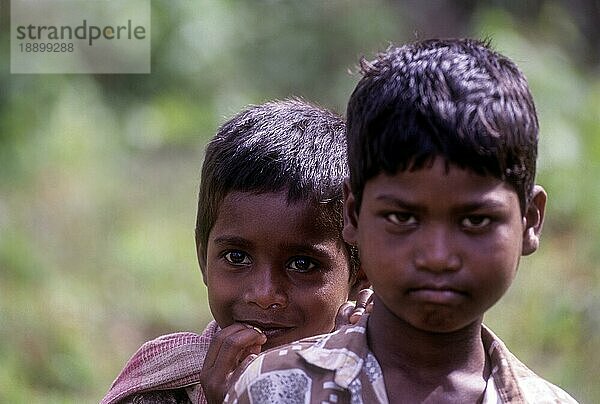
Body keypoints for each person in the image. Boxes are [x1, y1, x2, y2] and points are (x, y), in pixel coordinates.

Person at [225, 39, 579, 403]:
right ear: (353, 215)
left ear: (530, 221)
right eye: (401, 217)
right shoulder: (274, 389)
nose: (437, 257)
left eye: (475, 221)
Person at [101, 99, 370, 404]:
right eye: (237, 257)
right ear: (203, 257)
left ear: (360, 274)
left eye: (302, 264)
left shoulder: (379, 380)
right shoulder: (162, 387)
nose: (264, 294)